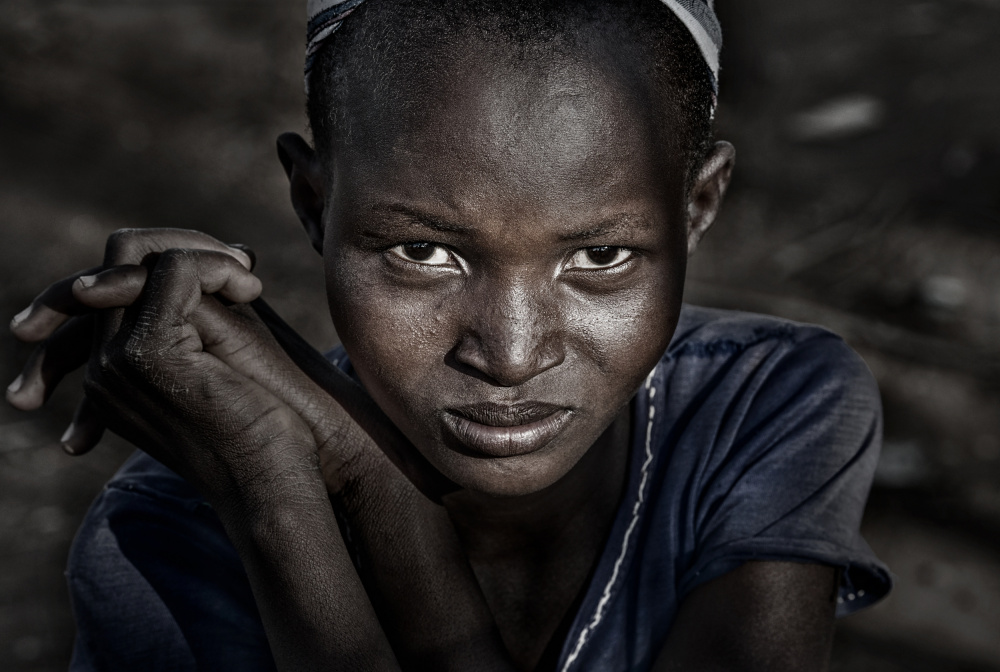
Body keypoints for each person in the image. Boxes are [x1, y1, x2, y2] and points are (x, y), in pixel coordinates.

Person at [6, 0, 891, 670]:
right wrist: (269, 495)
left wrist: (358, 495)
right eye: (423, 251)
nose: (509, 355)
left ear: (698, 205)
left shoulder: (758, 405)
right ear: (314, 203)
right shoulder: (168, 538)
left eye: (602, 255)